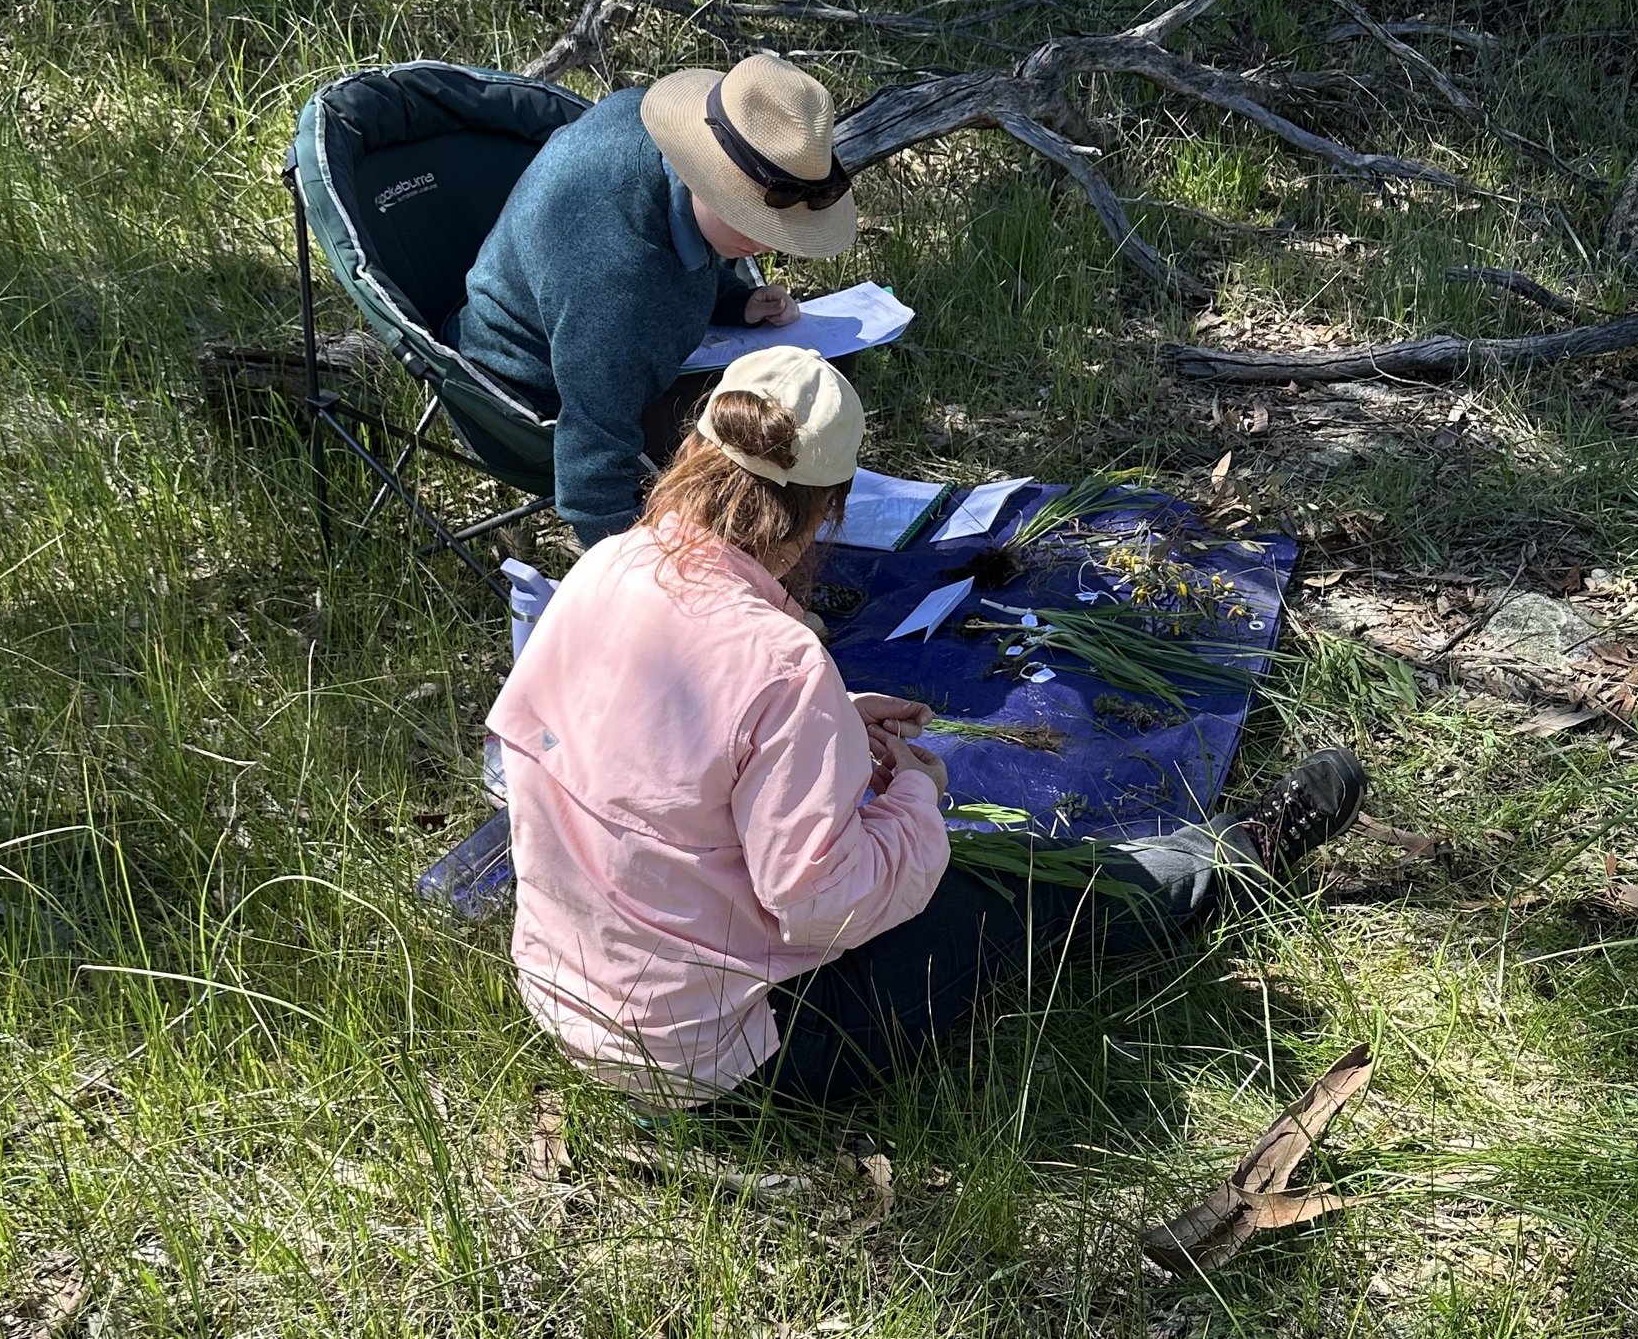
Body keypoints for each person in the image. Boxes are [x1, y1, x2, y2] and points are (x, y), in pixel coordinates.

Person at [487, 345, 1369, 1109]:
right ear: (823, 512)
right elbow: (820, 904)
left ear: (692, 454)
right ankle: (1236, 860)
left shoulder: (605, 567)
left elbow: (641, 767)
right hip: (724, 1059)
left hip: (571, 1001)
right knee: (1014, 897)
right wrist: (917, 795)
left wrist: (834, 724)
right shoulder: (781, 662)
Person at [453, 52, 857, 546]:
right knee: (774, 435)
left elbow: (677, 244)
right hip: (531, 393)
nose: (769, 244)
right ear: (704, 172)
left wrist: (733, 300)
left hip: (600, 348)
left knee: (817, 373)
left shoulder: (649, 127)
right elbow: (594, 454)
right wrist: (630, 568)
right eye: (752, 220)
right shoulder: (617, 277)